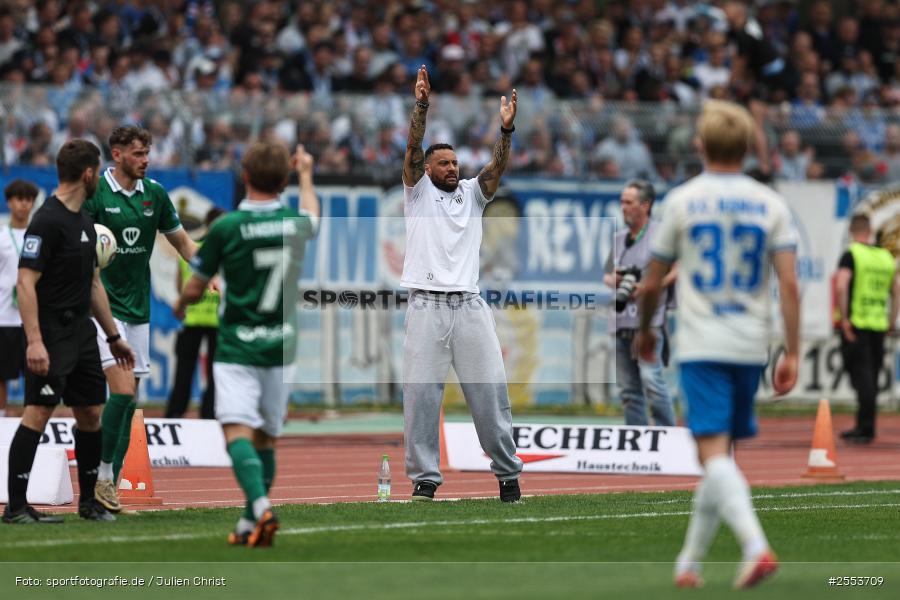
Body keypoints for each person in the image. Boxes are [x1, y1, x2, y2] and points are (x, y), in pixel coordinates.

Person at [637, 100, 800, 589]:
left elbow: (652, 281)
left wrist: (646, 331)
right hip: (750, 344)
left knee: (711, 454)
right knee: (719, 454)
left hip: (703, 343)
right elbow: (790, 285)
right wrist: (792, 351)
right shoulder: (771, 203)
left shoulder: (682, 200)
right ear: (748, 146)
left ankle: (756, 547)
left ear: (701, 145)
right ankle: (688, 563)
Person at [174, 143, 319, 547]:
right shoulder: (294, 223)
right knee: (266, 438)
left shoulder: (227, 227)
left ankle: (260, 506)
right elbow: (312, 213)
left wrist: (182, 304)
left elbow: (196, 286)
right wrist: (307, 174)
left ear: (246, 176)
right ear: (284, 180)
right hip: (281, 346)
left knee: (236, 431)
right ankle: (248, 522)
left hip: (238, 346)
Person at [401, 65, 523, 502]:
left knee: (490, 394)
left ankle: (507, 475)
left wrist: (505, 131)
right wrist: (421, 106)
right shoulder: (417, 192)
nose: (452, 168)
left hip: (470, 305)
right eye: (444, 163)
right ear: (427, 168)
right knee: (421, 399)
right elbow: (412, 147)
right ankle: (424, 479)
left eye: (454, 162)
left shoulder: (472, 193)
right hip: (426, 305)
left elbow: (496, 167)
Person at [3, 140, 134, 524]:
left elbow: (93, 285)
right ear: (88, 174)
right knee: (38, 413)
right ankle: (16, 507)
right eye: (98, 171)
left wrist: (113, 337)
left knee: (91, 413)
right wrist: (34, 341)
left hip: (83, 333)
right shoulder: (47, 220)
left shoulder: (84, 223)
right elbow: (26, 283)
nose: (100, 178)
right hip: (51, 334)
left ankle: (88, 502)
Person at [83, 125, 198, 513]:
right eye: (137, 153)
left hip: (139, 310)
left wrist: (207, 271)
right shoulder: (97, 193)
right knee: (120, 394)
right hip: (103, 309)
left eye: (147, 153)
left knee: (128, 402)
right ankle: (101, 478)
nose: (145, 160)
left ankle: (106, 488)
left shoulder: (156, 194)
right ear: (116, 155)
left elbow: (182, 242)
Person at [603, 180, 677, 427]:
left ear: (646, 205)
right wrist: (615, 279)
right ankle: (637, 440)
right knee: (628, 390)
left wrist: (650, 286)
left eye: (629, 202)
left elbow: (678, 268)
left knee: (651, 380)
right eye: (622, 202)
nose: (623, 207)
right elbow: (606, 275)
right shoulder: (619, 238)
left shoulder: (661, 234)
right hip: (621, 320)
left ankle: (667, 436)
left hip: (649, 319)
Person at [834, 214, 900, 444]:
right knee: (871, 376)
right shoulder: (885, 257)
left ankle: (865, 428)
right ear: (870, 231)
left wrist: (844, 319)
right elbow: (896, 291)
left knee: (861, 377)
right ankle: (865, 425)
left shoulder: (852, 254)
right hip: (879, 325)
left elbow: (841, 286)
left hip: (858, 323)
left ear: (852, 231)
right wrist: (891, 321)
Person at [165, 207, 225, 419]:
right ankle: (209, 414)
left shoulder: (191, 252)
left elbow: (179, 286)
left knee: (185, 370)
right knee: (214, 371)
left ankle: (175, 413)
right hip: (216, 321)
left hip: (192, 319)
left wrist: (183, 304)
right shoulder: (226, 253)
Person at [0, 180, 38, 418]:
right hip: (4, 316)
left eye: (28, 199)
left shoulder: (39, 236)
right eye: (19, 199)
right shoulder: (2, 236)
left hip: (32, 318)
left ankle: (31, 421)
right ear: (9, 202)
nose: (24, 204)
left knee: (34, 373)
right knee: (1, 374)